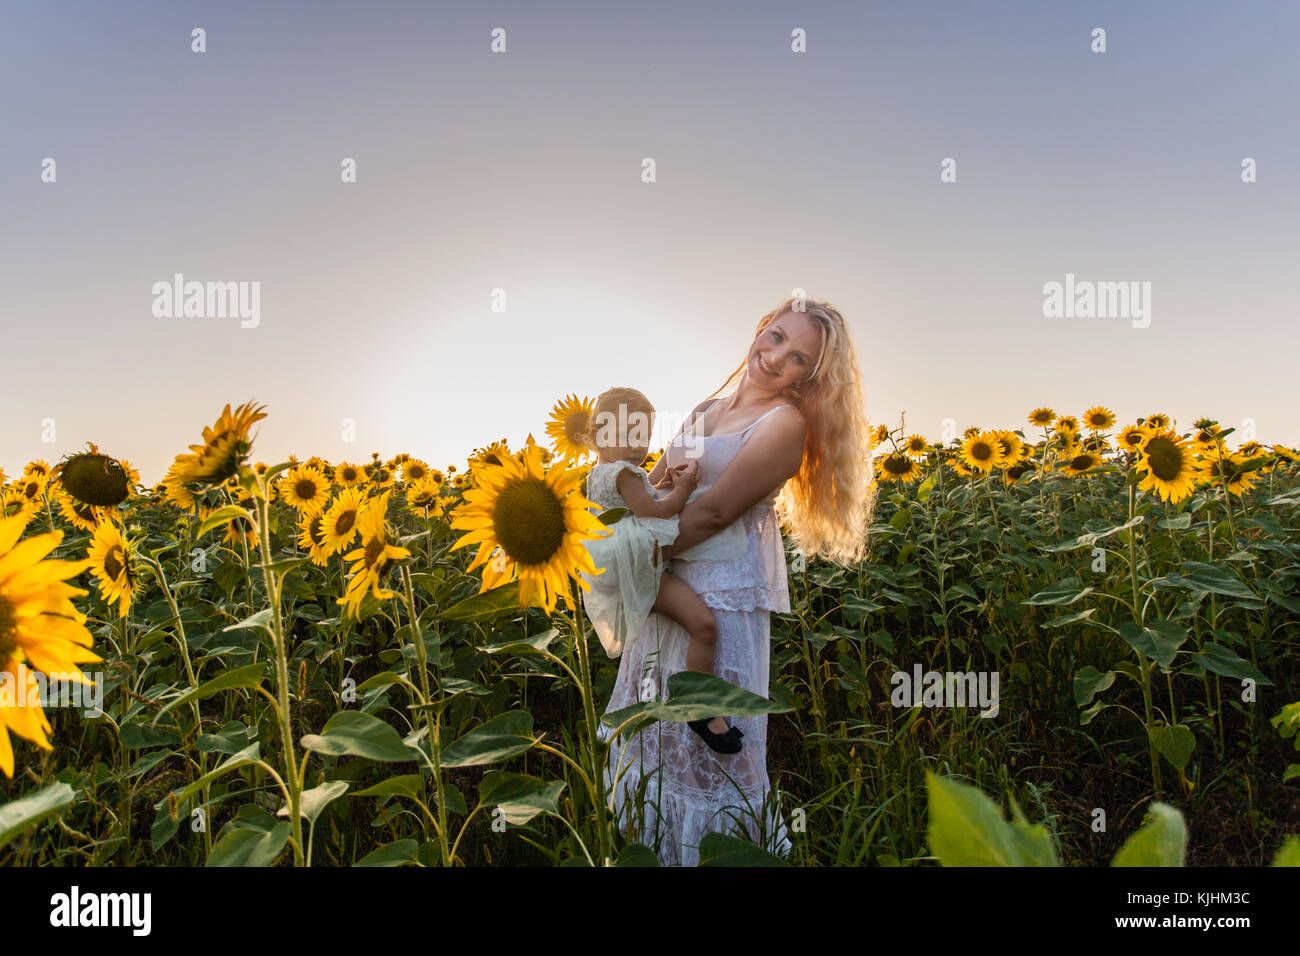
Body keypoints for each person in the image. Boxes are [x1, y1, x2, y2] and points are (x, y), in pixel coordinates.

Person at [597, 297, 877, 866]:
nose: (775, 359)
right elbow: (652, 493)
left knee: (713, 760)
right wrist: (627, 523)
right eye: (774, 338)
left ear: (811, 376)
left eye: (798, 357)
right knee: (653, 735)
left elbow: (714, 515)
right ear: (758, 331)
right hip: (666, 582)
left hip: (718, 596)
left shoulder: (786, 424)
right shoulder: (705, 408)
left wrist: (625, 555)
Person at [577, 387, 751, 754]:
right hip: (639, 569)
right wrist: (684, 488)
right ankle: (701, 706)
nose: (637, 445)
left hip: (622, 567)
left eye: (642, 436)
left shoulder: (603, 472)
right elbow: (655, 513)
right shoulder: (625, 473)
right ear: (596, 437)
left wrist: (660, 487)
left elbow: (638, 501)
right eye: (626, 435)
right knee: (703, 626)